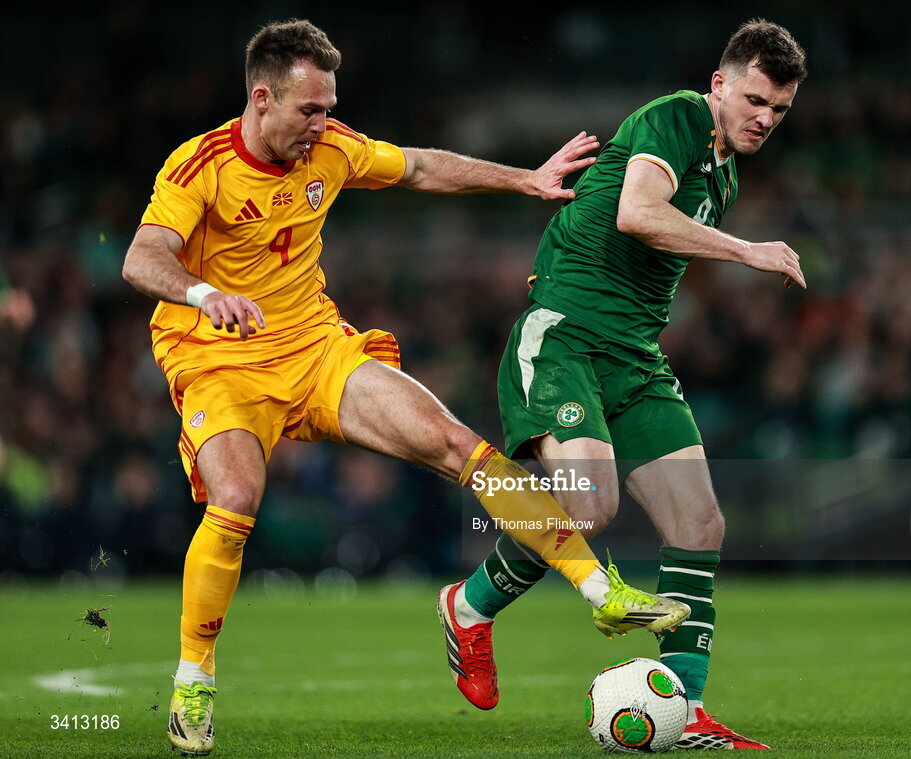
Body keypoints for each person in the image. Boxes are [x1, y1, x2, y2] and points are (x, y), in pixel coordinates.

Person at [122, 19, 690, 757]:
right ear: (260, 99)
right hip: (217, 357)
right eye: (308, 109)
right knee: (236, 496)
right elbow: (140, 258)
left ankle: (598, 591)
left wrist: (523, 178)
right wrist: (204, 295)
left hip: (314, 346)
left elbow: (420, 167)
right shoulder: (197, 166)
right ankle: (193, 681)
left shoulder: (331, 147)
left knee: (458, 442)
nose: (323, 124)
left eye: (329, 107)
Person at [438, 18, 807, 750]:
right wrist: (750, 251)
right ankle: (468, 606)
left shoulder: (726, 168)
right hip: (565, 335)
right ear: (720, 84)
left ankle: (688, 708)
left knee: (700, 523)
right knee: (589, 503)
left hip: (635, 358)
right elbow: (637, 213)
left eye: (780, 110)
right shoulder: (675, 118)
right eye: (756, 99)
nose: (765, 118)